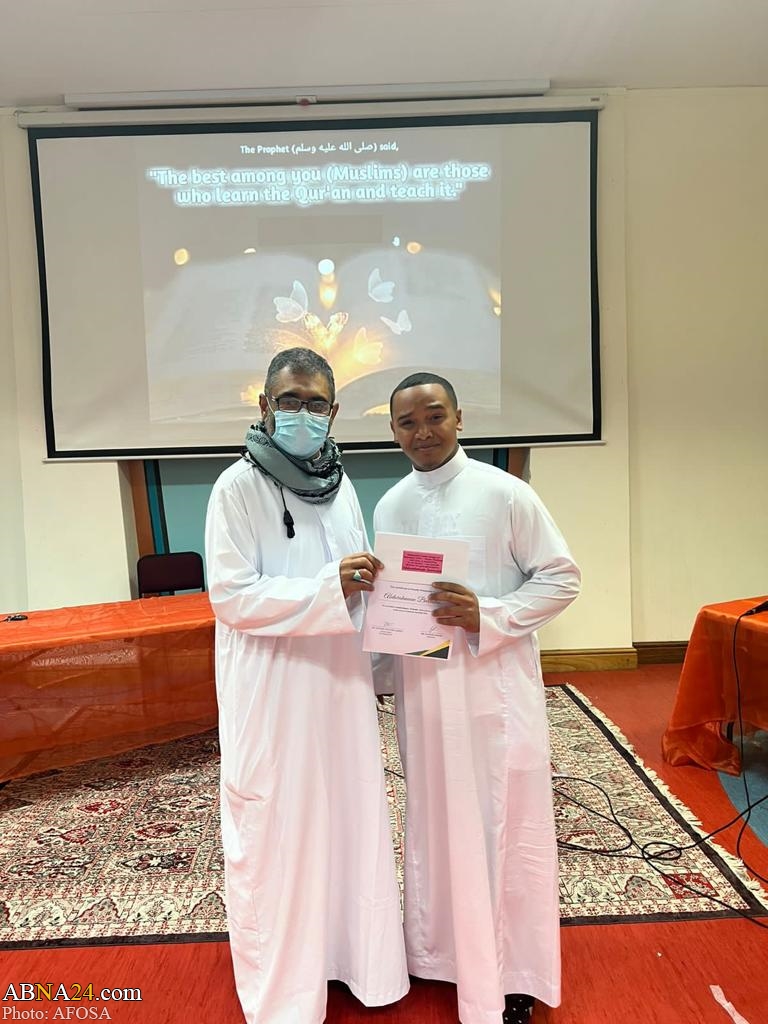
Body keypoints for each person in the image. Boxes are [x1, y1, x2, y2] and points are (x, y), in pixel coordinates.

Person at [204, 347, 408, 1024]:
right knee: (278, 826)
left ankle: (356, 961)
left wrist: (401, 624)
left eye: (315, 403)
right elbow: (231, 596)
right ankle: (287, 987)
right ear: (264, 406)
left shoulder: (342, 485)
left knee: (348, 814)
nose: (302, 413)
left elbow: (363, 584)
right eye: (289, 401)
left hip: (339, 686)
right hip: (273, 689)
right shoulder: (237, 487)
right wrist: (329, 588)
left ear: (334, 411)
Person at [373, 372, 581, 1024]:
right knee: (435, 818)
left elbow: (561, 578)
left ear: (459, 418)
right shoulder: (390, 508)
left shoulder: (505, 493)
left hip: (493, 691)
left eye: (435, 416)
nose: (423, 432)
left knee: (503, 822)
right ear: (393, 431)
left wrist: (486, 614)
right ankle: (439, 953)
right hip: (423, 696)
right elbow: (394, 608)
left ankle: (514, 972)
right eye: (408, 422)